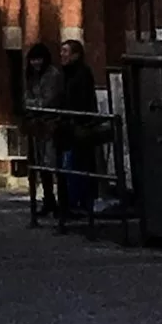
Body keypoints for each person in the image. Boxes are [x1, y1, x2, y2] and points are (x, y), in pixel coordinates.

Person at [56, 38, 100, 222]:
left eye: (66, 51)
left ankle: (79, 204)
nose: (62, 55)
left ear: (76, 54)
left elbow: (81, 101)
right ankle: (69, 204)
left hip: (78, 128)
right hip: (67, 128)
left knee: (77, 166)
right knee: (68, 167)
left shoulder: (81, 74)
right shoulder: (64, 74)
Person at [23, 41, 64, 222]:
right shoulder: (31, 76)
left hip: (51, 124)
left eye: (38, 59)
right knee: (41, 165)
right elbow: (27, 97)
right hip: (38, 126)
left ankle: (61, 203)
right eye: (33, 60)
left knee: (53, 164)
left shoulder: (52, 75)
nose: (36, 63)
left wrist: (32, 105)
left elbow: (48, 100)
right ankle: (48, 200)